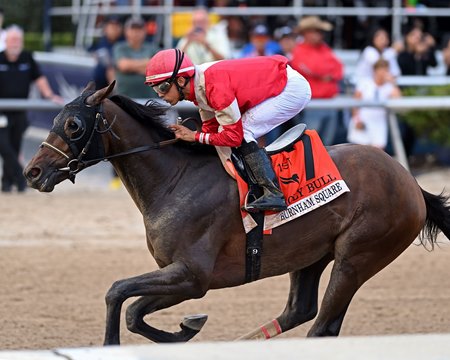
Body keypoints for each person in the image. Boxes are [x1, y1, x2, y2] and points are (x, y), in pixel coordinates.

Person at [145, 49, 311, 212]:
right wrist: (193, 137)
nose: (160, 94)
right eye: (155, 89)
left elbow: (234, 137)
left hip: (291, 88)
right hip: (276, 79)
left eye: (163, 87)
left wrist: (195, 136)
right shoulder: (198, 85)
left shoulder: (214, 87)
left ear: (181, 81)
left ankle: (273, 192)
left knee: (244, 131)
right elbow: (211, 129)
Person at [0, 25, 63, 193]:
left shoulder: (28, 58)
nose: (15, 43)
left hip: (21, 111)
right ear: (6, 41)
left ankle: (7, 183)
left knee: (14, 146)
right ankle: (21, 177)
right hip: (1, 112)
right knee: (4, 146)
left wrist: (50, 95)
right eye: (12, 40)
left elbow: (39, 78)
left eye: (18, 40)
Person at [289, 16, 344, 146]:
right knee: (309, 143)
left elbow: (339, 68)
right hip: (312, 104)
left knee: (328, 144)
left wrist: (324, 74)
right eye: (316, 31)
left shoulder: (324, 48)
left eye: (320, 31)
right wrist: (325, 74)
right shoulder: (299, 50)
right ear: (306, 33)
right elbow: (310, 68)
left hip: (329, 102)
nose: (320, 35)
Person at [348, 59, 402, 151]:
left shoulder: (388, 86)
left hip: (379, 123)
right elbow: (355, 103)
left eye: (386, 70)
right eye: (381, 69)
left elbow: (398, 99)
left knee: (378, 154)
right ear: (375, 70)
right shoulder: (365, 83)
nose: (384, 73)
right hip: (363, 120)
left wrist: (392, 83)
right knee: (360, 152)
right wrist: (357, 120)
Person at [112, 16, 159, 99]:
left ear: (145, 31)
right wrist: (147, 64)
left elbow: (157, 70)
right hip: (124, 100)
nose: (136, 32)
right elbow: (124, 66)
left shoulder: (152, 48)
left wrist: (131, 67)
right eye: (133, 29)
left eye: (139, 29)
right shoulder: (120, 47)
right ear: (126, 31)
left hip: (150, 100)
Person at [88, 15, 123, 90]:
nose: (114, 29)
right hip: (99, 83)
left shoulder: (124, 43)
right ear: (105, 28)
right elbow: (89, 52)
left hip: (118, 81)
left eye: (117, 27)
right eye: (111, 27)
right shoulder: (100, 43)